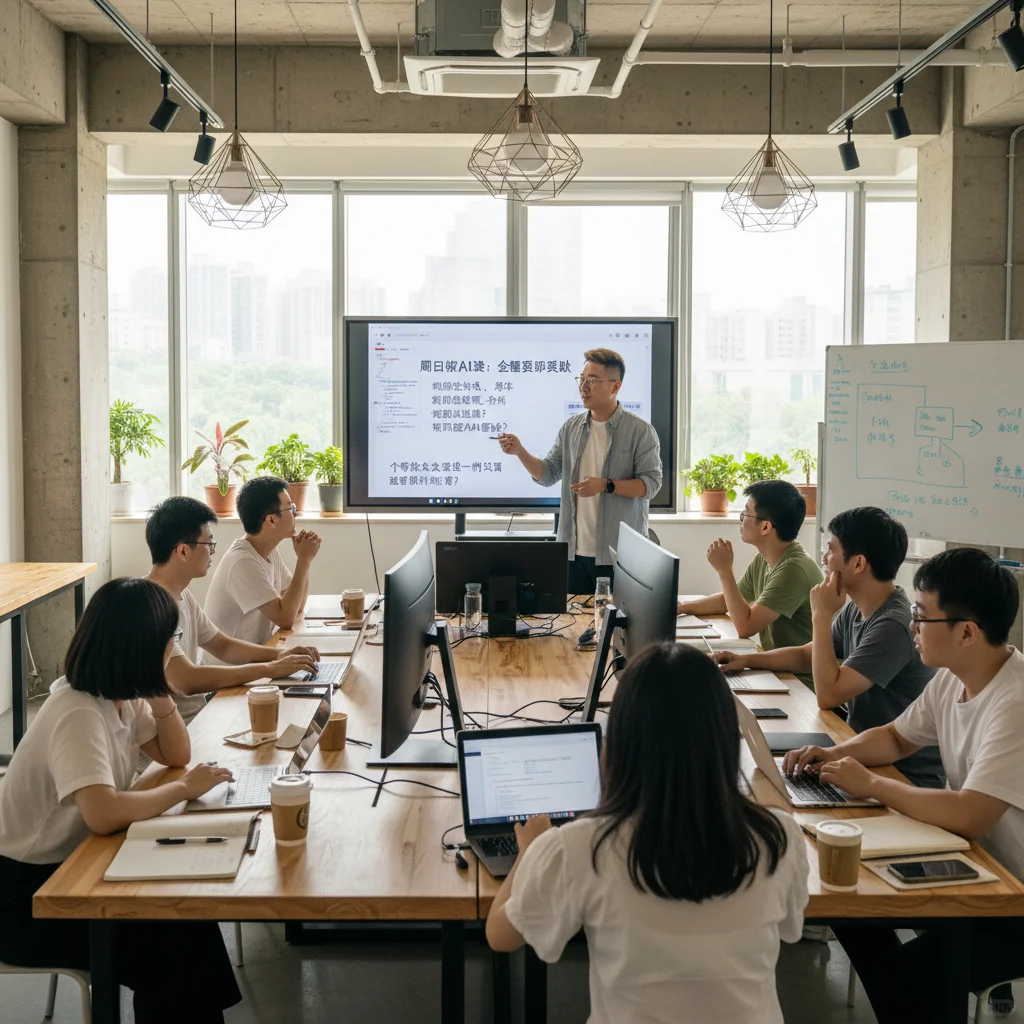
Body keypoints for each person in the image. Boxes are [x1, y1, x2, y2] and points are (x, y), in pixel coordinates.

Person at [486, 643, 808, 1023]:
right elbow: (791, 930)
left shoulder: (579, 847)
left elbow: (500, 936)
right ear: (723, 737)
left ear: (619, 740)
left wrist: (528, 852)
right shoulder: (779, 837)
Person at [782, 548, 1024, 1022]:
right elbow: (896, 737)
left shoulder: (1015, 702)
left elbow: (972, 813)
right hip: (971, 862)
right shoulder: (953, 677)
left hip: (1011, 894)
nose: (913, 625)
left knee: (912, 977)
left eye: (921, 615)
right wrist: (832, 755)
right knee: (851, 906)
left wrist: (870, 784)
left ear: (967, 632)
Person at [0, 577, 241, 1024]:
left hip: (76, 865)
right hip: (28, 899)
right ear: (142, 646)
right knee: (171, 949)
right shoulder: (77, 710)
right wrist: (184, 790)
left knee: (187, 918)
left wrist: (158, 692)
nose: (175, 647)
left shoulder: (121, 697)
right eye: (172, 639)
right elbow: (104, 814)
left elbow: (176, 753)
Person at [719, 506, 943, 787]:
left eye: (830, 550)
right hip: (858, 749)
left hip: (900, 774)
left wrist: (821, 615)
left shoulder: (894, 624)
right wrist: (748, 660)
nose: (824, 559)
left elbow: (829, 695)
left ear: (858, 563)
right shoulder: (858, 609)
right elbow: (805, 655)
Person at [496, 348, 662, 595]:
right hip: (572, 554)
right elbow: (548, 473)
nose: (584, 386)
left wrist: (607, 484)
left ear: (615, 387)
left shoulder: (640, 431)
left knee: (617, 629)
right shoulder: (572, 427)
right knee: (571, 628)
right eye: (581, 378)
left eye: (592, 380)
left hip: (617, 555)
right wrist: (520, 451)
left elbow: (650, 485)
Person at [145, 496, 321, 724]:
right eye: (209, 544)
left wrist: (281, 655)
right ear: (183, 552)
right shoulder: (149, 605)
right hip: (178, 728)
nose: (213, 551)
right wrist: (269, 668)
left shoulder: (182, 594)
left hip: (199, 714)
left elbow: (223, 645)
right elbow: (186, 680)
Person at [678, 480, 821, 673]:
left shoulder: (793, 570)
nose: (741, 519)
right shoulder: (765, 559)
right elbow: (727, 601)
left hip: (799, 679)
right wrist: (681, 608)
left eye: (746, 513)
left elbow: (745, 626)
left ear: (765, 528)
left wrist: (724, 570)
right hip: (773, 668)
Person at [204, 475, 321, 659]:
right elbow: (286, 619)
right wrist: (304, 560)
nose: (295, 513)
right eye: (290, 508)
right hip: (231, 672)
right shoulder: (243, 561)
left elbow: (297, 607)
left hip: (259, 658)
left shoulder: (267, 551)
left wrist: (304, 560)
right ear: (271, 520)